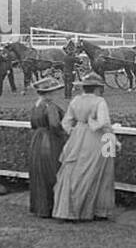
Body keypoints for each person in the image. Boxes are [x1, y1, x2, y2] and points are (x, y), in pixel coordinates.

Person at [53, 73, 116, 221]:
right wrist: (94, 126)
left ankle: (68, 209)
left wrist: (75, 131)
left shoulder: (75, 100)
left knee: (73, 172)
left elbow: (66, 123)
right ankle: (99, 210)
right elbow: (104, 122)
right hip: (98, 138)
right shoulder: (100, 101)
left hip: (77, 138)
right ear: (96, 88)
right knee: (102, 173)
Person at [27, 77, 69, 217]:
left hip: (36, 141)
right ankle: (51, 207)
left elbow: (33, 124)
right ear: (49, 93)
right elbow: (55, 125)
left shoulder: (36, 105)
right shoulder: (49, 106)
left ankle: (39, 207)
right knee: (52, 173)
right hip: (49, 141)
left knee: (38, 173)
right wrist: (65, 134)